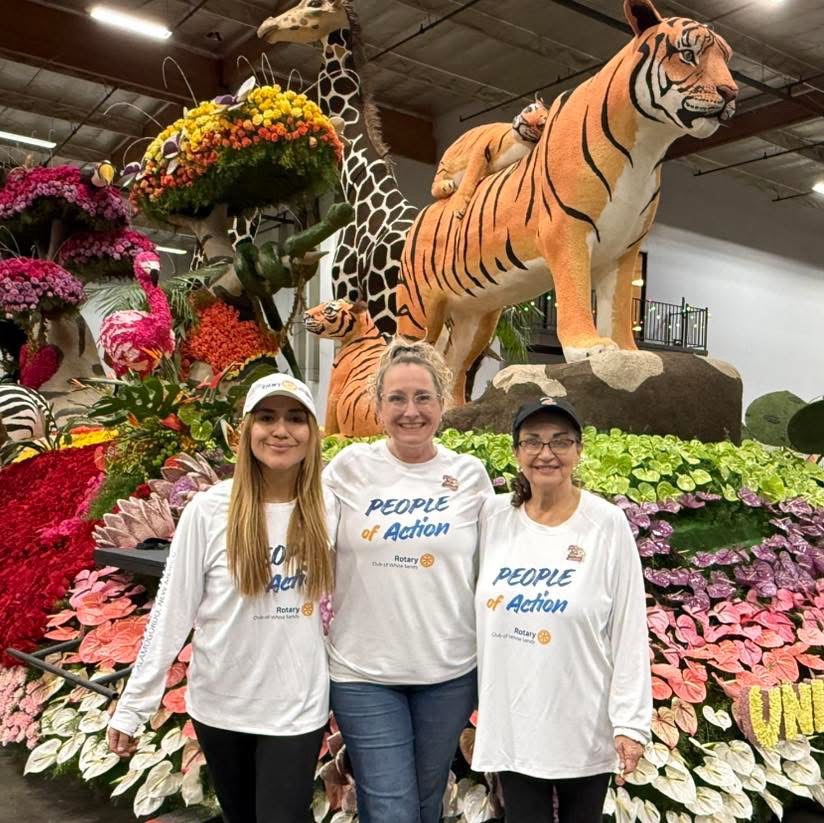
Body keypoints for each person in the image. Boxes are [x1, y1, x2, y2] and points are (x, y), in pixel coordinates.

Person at [108, 373, 334, 823]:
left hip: (295, 707)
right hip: (222, 705)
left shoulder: (331, 507)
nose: (281, 430)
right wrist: (133, 706)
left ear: (312, 433)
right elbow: (171, 611)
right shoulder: (209, 510)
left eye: (295, 419)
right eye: (266, 418)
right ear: (246, 430)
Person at [322, 340, 495, 823]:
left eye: (423, 397)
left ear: (443, 403)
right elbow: (300, 537)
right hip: (364, 674)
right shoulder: (349, 469)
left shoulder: (469, 476)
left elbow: (495, 566)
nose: (410, 411)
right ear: (378, 406)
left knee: (424, 799)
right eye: (397, 398)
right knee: (392, 805)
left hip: (448, 673)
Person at [472, 397, 652, 823]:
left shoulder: (606, 524)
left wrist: (630, 723)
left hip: (583, 727)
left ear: (579, 450)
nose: (545, 453)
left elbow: (629, 628)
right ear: (516, 452)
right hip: (515, 724)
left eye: (560, 441)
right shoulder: (493, 517)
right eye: (532, 441)